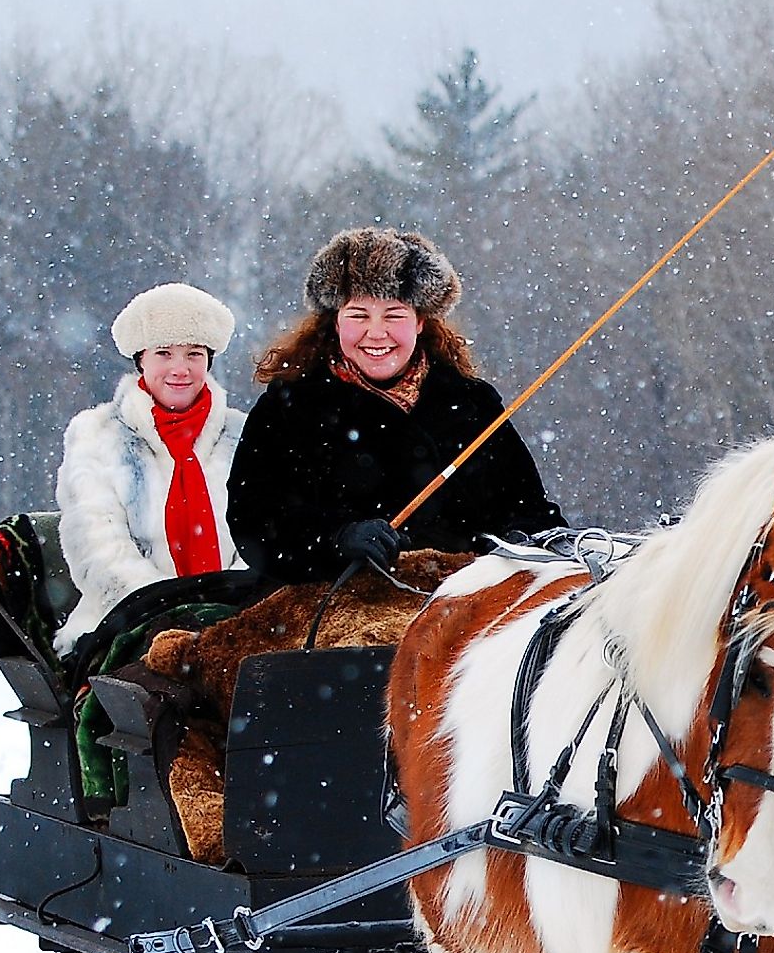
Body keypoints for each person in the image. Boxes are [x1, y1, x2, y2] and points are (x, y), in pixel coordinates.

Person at [227, 227, 565, 585]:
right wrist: (336, 539)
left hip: (461, 603)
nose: (376, 333)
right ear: (336, 321)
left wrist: (519, 544)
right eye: (359, 316)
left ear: (420, 321)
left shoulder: (471, 405)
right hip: (330, 604)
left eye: (393, 315)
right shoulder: (290, 407)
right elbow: (255, 522)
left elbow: (530, 511)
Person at [52, 282, 248, 653]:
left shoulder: (242, 435)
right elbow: (98, 547)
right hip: (125, 621)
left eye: (193, 354)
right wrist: (168, 613)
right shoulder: (95, 435)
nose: (180, 369)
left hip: (234, 619)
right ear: (141, 359)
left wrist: (228, 609)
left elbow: (260, 536)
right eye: (164, 353)